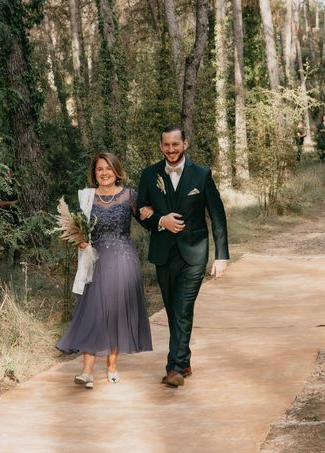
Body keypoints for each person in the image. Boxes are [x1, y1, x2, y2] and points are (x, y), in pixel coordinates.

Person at [137, 125, 230, 388]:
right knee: (172, 309)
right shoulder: (149, 174)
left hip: (194, 252)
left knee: (183, 307)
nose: (171, 150)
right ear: (160, 146)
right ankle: (185, 361)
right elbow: (141, 210)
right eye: (166, 145)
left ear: (185, 143)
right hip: (163, 253)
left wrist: (221, 256)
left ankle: (174, 367)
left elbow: (217, 216)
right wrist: (160, 220)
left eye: (175, 144)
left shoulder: (201, 175)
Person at [56, 152, 153, 389]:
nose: (104, 173)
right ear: (94, 173)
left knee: (116, 313)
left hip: (123, 260)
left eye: (108, 169)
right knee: (93, 311)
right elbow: (78, 228)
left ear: (116, 171)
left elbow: (147, 220)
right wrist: (79, 240)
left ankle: (111, 366)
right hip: (96, 261)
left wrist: (150, 212)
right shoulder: (87, 198)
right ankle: (87, 371)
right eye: (100, 169)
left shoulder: (129, 195)